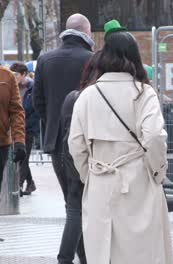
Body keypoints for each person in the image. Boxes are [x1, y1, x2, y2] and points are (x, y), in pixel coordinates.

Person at [68, 21, 173, 264]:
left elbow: (75, 143)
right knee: (143, 252)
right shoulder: (144, 93)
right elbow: (155, 136)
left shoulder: (87, 95)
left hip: (101, 181)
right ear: (134, 57)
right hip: (139, 182)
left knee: (104, 252)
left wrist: (91, 174)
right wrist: (157, 172)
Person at [32, 13, 94, 202]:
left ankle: (74, 229)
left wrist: (52, 120)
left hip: (57, 139)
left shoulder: (45, 60)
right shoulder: (92, 59)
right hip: (87, 138)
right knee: (87, 199)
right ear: (85, 31)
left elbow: (38, 101)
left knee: (70, 200)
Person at [57, 51, 102, 264]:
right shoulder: (93, 98)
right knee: (78, 210)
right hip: (87, 160)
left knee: (74, 208)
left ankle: (76, 258)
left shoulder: (72, 96)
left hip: (68, 158)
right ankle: (69, 258)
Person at [10, 62, 39, 195]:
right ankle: (31, 183)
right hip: (15, 128)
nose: (14, 77)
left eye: (16, 75)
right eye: (12, 74)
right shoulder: (12, 87)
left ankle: (19, 185)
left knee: (23, 158)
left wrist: (29, 124)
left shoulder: (33, 88)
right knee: (23, 157)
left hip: (28, 128)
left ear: (24, 74)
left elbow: (35, 108)